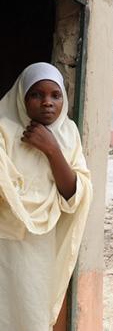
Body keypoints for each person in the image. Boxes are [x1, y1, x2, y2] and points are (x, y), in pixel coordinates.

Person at [0, 62, 92, 331]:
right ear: (21, 97)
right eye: (36, 94)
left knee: (30, 314)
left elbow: (75, 193)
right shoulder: (4, 130)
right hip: (3, 242)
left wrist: (52, 150)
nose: (47, 102)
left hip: (40, 247)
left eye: (55, 95)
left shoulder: (68, 134)